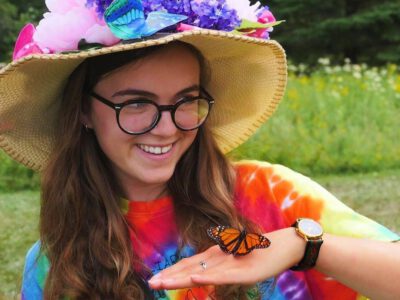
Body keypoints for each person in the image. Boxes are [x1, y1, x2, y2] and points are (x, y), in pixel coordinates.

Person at [0, 0, 399, 299]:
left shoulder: (266, 194)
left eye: (185, 101)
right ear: (85, 110)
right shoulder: (54, 260)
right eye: (136, 103)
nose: (167, 127)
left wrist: (306, 248)